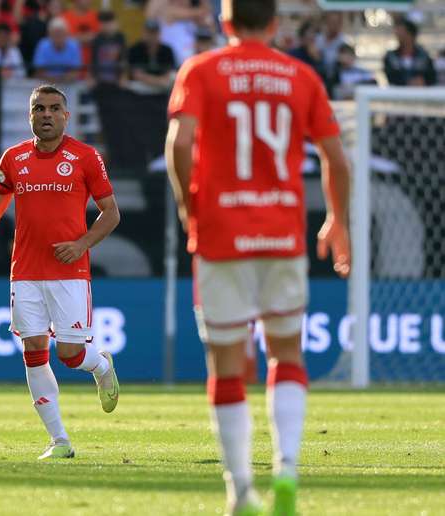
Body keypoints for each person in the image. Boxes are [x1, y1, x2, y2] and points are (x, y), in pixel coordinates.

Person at [164, 0, 351, 514]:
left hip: (222, 233)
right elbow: (336, 156)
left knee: (226, 364)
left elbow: (180, 144)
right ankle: (286, 469)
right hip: (282, 233)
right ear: (274, 24)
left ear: (225, 22)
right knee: (286, 353)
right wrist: (338, 221)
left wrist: (188, 206)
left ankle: (240, 489)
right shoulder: (300, 74)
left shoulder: (201, 69)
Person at [0, 84, 121, 460]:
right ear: (30, 116)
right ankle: (59, 442)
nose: (46, 114)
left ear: (65, 116)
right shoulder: (13, 158)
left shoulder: (86, 157)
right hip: (24, 273)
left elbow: (111, 213)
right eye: (39, 108)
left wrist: (82, 244)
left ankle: (101, 364)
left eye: (54, 108)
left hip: (70, 274)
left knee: (71, 355)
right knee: (34, 349)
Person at [384, 15, 436, 87]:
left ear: (411, 35)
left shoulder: (424, 56)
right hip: (398, 96)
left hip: (421, 95)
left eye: (403, 33)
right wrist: (407, 82)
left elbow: (431, 77)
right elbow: (390, 77)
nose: (399, 36)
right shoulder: (391, 57)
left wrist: (422, 81)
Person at [127, 19, 176, 91]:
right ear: (143, 33)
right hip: (141, 88)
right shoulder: (135, 49)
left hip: (163, 88)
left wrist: (162, 81)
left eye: (154, 33)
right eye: (149, 33)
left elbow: (170, 72)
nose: (152, 36)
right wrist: (158, 81)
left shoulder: (167, 50)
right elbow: (136, 74)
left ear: (159, 33)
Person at [33, 17, 81, 81]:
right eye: (55, 34)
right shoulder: (42, 45)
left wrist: (59, 79)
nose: (58, 36)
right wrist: (56, 80)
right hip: (46, 84)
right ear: (49, 34)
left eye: (61, 33)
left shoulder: (74, 45)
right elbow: (39, 71)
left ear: (66, 34)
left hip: (69, 84)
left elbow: (75, 72)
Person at [88, 10, 126, 87]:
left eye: (108, 22)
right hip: (99, 80)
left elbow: (124, 58)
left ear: (115, 23)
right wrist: (91, 77)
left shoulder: (120, 38)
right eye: (103, 23)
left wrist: (123, 76)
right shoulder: (97, 39)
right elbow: (93, 60)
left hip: (117, 80)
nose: (106, 26)